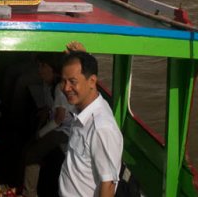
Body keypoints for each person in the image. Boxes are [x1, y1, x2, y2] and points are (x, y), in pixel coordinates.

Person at [58, 51, 123, 197]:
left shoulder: (101, 128)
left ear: (92, 81)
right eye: (64, 81)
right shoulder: (81, 109)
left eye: (73, 82)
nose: (66, 88)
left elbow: (108, 185)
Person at [22, 53, 75, 197]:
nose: (40, 70)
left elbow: (59, 118)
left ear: (54, 69)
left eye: (43, 66)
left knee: (32, 153)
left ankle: (29, 193)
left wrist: (40, 134)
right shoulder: (48, 86)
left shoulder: (59, 88)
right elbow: (50, 108)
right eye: (39, 66)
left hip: (65, 131)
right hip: (59, 127)